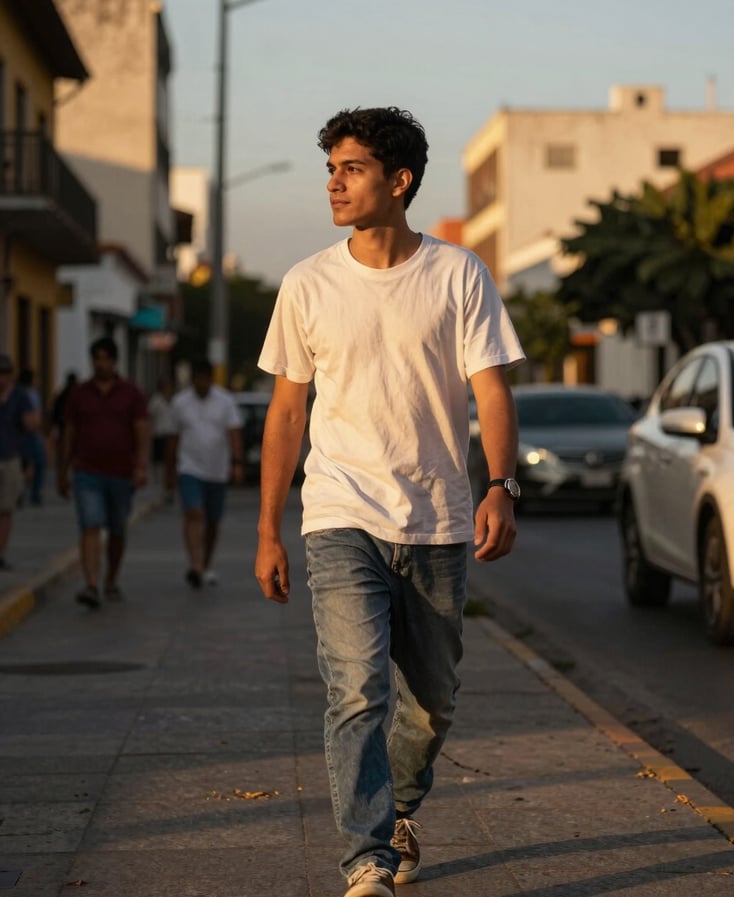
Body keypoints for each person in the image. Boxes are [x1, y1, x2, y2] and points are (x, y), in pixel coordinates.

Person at [254, 107, 524, 897]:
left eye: (351, 168)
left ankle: (400, 805)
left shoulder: (457, 274)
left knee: (431, 702)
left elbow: (492, 391)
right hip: (340, 513)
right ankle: (367, 858)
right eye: (330, 169)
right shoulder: (307, 283)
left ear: (398, 180)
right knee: (358, 687)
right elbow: (286, 414)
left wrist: (501, 485)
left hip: (437, 518)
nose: (334, 183)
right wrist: (269, 528)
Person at [58, 337, 149, 608]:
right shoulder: (79, 394)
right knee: (90, 524)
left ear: (115, 361)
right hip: (87, 470)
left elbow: (141, 430)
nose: (101, 364)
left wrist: (142, 466)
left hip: (121, 472)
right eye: (96, 358)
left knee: (117, 529)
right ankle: (91, 584)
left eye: (106, 358)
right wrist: (61, 471)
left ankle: (110, 578)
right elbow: (69, 433)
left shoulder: (131, 393)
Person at [166, 358, 244, 589]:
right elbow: (173, 437)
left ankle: (206, 563)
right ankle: (196, 564)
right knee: (194, 513)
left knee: (212, 521)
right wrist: (169, 472)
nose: (201, 383)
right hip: (189, 468)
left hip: (217, 470)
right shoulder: (180, 403)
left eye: (204, 378)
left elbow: (234, 433)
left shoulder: (225, 401)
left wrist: (236, 463)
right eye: (196, 378)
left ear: (210, 379)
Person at [0, 355, 39, 570]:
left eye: (4, 374)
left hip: (11, 456)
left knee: (6, 508)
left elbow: (30, 428)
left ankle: (0, 552)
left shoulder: (19, 397)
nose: (1, 379)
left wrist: (28, 462)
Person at [18, 368, 47, 505]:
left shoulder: (27, 392)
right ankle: (28, 492)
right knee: (34, 463)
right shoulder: (24, 393)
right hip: (28, 433)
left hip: (30, 432)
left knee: (29, 464)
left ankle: (27, 492)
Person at [147, 375, 176, 503]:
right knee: (159, 464)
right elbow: (150, 418)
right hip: (159, 435)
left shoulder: (175, 400)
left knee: (171, 463)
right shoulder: (156, 400)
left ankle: (170, 488)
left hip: (172, 435)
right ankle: (160, 489)